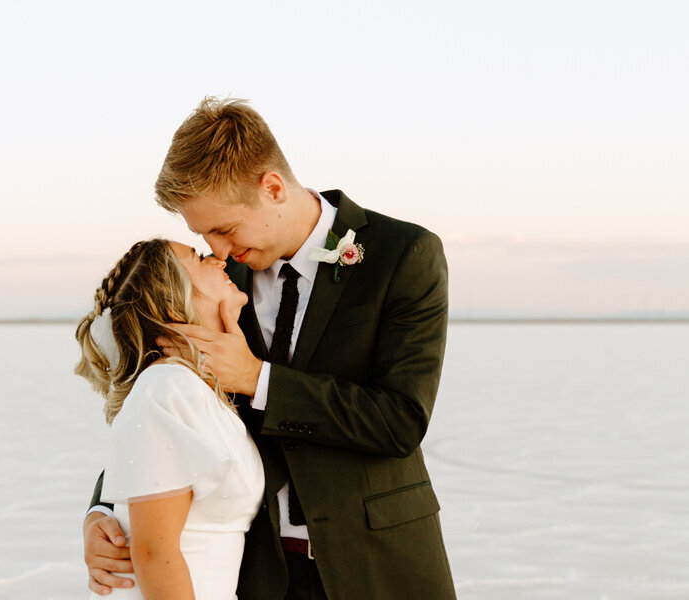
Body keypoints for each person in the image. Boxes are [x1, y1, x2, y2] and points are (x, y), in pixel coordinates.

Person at [84, 98, 456, 599]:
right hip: (255, 575)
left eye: (223, 229)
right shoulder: (214, 285)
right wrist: (104, 510)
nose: (216, 251)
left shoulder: (404, 255)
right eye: (202, 236)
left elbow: (400, 420)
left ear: (273, 188)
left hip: (377, 566)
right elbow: (165, 414)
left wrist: (257, 379)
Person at [75, 238, 265, 599]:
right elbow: (153, 553)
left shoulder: (191, 389)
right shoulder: (169, 390)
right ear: (173, 305)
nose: (218, 261)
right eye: (197, 257)